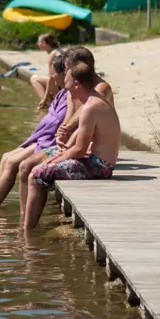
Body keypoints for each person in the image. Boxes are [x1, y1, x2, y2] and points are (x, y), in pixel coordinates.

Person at [21, 59, 121, 232]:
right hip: (95, 160)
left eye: (66, 81)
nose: (64, 85)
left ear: (77, 84)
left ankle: (26, 232)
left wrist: (54, 160)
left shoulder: (91, 107)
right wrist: (56, 156)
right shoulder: (91, 102)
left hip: (99, 166)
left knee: (36, 174)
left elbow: (80, 150)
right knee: (35, 166)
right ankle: (27, 222)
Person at [0, 52, 70, 207]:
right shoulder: (61, 92)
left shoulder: (70, 95)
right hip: (43, 137)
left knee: (13, 162)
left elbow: (58, 123)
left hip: (49, 140)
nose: (52, 77)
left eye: (54, 73)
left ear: (64, 74)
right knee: (6, 157)